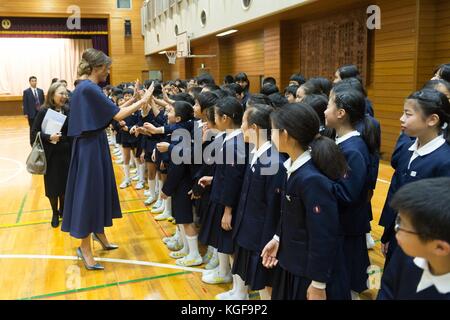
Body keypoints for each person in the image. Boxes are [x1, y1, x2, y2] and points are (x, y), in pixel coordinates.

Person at [61, 48, 154, 270]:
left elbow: (108, 112)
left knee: (98, 191)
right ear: (96, 68)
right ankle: (85, 248)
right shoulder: (89, 88)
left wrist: (132, 99)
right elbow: (117, 115)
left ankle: (99, 234)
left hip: (93, 144)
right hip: (90, 147)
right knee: (88, 195)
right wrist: (143, 101)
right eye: (106, 67)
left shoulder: (86, 87)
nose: (109, 71)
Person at [262, 103, 350, 300]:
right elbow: (292, 216)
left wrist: (318, 284)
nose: (271, 136)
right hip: (292, 263)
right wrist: (278, 238)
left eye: (273, 130)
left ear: (286, 135)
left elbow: (324, 235)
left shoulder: (311, 179)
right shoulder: (292, 167)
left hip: (309, 274)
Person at [379, 89, 450, 266]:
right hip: (399, 235)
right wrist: (388, 233)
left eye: (408, 114)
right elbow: (395, 194)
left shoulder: (444, 160)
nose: (401, 119)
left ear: (432, 120)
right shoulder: (407, 150)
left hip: (424, 247)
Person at [377, 177, 450, 300]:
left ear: (440, 248)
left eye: (403, 227)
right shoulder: (405, 252)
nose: (396, 231)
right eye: (398, 220)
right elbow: (387, 288)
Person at [31, 82, 71, 228]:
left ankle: (63, 210)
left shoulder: (67, 110)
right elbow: (34, 133)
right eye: (61, 93)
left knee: (65, 187)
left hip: (66, 154)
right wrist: (49, 137)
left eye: (66, 94)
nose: (64, 97)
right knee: (53, 187)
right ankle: (55, 212)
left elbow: (71, 132)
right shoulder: (43, 111)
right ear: (52, 94)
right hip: (51, 156)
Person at [23, 76, 45, 144]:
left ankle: (40, 141)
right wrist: (26, 113)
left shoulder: (40, 91)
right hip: (31, 113)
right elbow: (25, 102)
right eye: (32, 81)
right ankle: (32, 142)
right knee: (32, 128)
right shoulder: (26, 92)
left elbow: (43, 102)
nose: (34, 82)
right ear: (30, 82)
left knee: (40, 127)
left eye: (35, 80)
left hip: (40, 112)